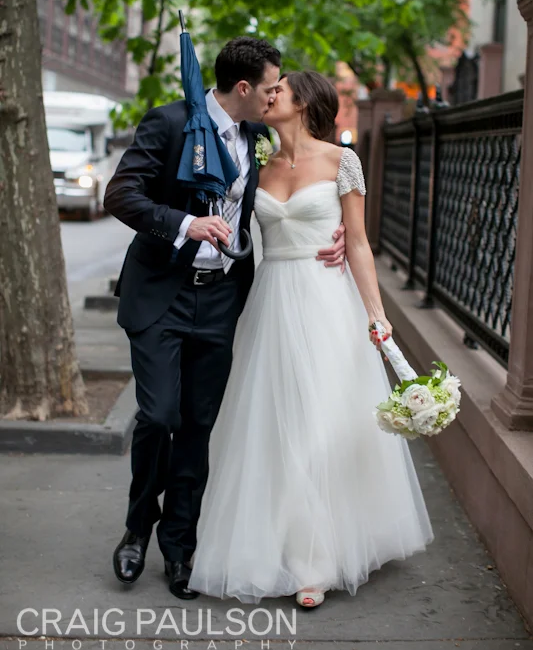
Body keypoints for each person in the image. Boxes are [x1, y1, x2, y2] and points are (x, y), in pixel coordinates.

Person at [104, 40, 347, 600]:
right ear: (245, 89)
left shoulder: (260, 141)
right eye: (270, 87)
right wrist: (185, 223)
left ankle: (180, 547)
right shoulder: (169, 123)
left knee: (197, 427)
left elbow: (289, 200)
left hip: (222, 299)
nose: (275, 94)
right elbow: (121, 194)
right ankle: (137, 528)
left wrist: (332, 227)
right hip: (162, 293)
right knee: (158, 414)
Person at [188, 71, 434, 608]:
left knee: (320, 428)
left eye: (278, 91)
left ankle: (317, 562)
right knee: (274, 428)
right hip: (271, 302)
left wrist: (377, 315)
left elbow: (360, 243)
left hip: (326, 301)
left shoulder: (342, 160)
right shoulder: (254, 163)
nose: (268, 95)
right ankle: (276, 546)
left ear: (304, 104)